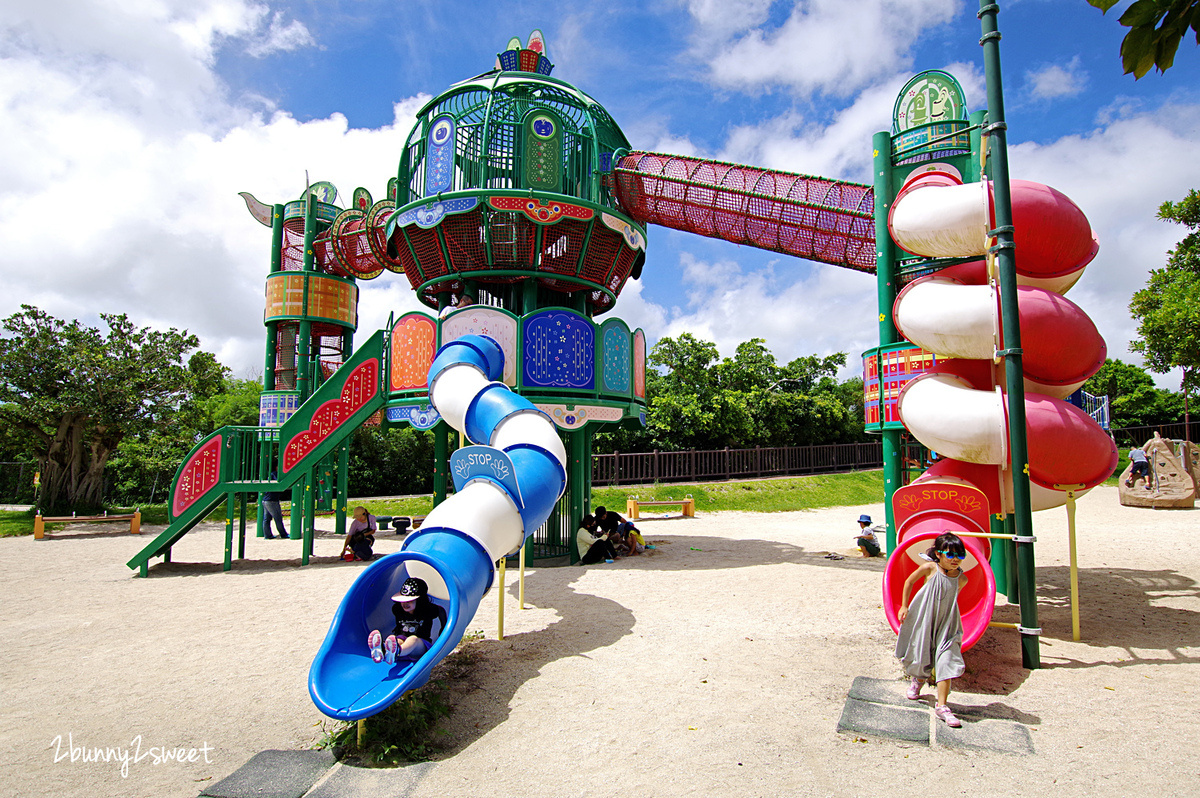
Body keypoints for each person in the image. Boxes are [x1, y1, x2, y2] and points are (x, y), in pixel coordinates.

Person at [894, 532, 969, 728]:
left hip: (947, 625)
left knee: (947, 660)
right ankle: (918, 680)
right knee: (922, 652)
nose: (955, 560)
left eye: (960, 556)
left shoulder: (962, 579)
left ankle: (942, 706)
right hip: (925, 620)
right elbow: (909, 582)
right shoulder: (929, 569)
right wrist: (904, 606)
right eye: (950, 555)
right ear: (938, 554)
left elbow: (951, 601)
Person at [367, 577, 447, 665]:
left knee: (413, 639)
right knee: (398, 640)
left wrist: (444, 629)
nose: (405, 604)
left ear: (420, 600)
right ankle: (384, 652)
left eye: (410, 601)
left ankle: (396, 651)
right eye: (403, 600)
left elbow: (441, 610)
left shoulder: (428, 610)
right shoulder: (398, 609)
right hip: (403, 644)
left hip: (420, 646)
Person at [260, 473, 290, 539]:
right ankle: (283, 534)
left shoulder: (270, 475)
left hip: (266, 500)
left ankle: (267, 535)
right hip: (272, 501)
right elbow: (279, 483)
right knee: (278, 517)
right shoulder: (274, 474)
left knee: (266, 519)